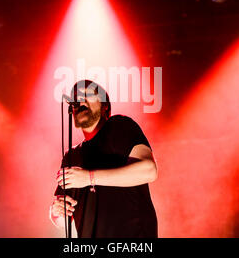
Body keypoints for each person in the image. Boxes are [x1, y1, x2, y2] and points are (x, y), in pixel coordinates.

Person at [49, 79, 158, 238]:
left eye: (88, 95)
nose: (80, 100)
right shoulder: (71, 156)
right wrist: (55, 212)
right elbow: (62, 220)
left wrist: (89, 177)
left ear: (104, 106)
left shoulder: (119, 126)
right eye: (76, 98)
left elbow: (149, 170)